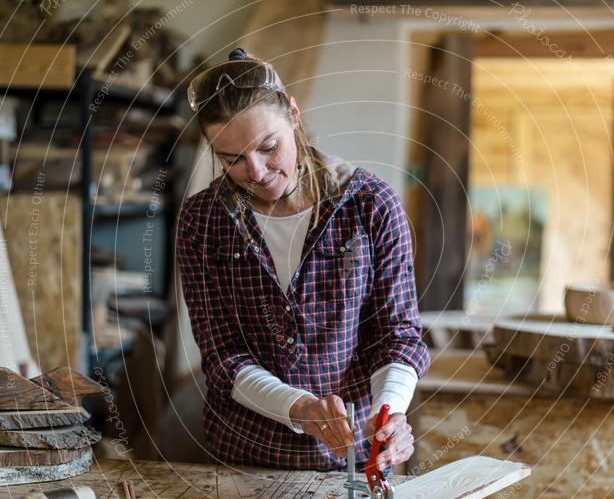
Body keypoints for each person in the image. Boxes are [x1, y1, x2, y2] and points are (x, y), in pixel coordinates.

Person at [176, 47, 429, 471]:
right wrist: (301, 408)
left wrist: (389, 412)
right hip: (245, 455)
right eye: (231, 159)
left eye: (269, 147)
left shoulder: (369, 205)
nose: (255, 172)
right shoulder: (203, 220)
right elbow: (223, 355)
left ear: (293, 114)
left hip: (352, 452)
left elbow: (397, 334)